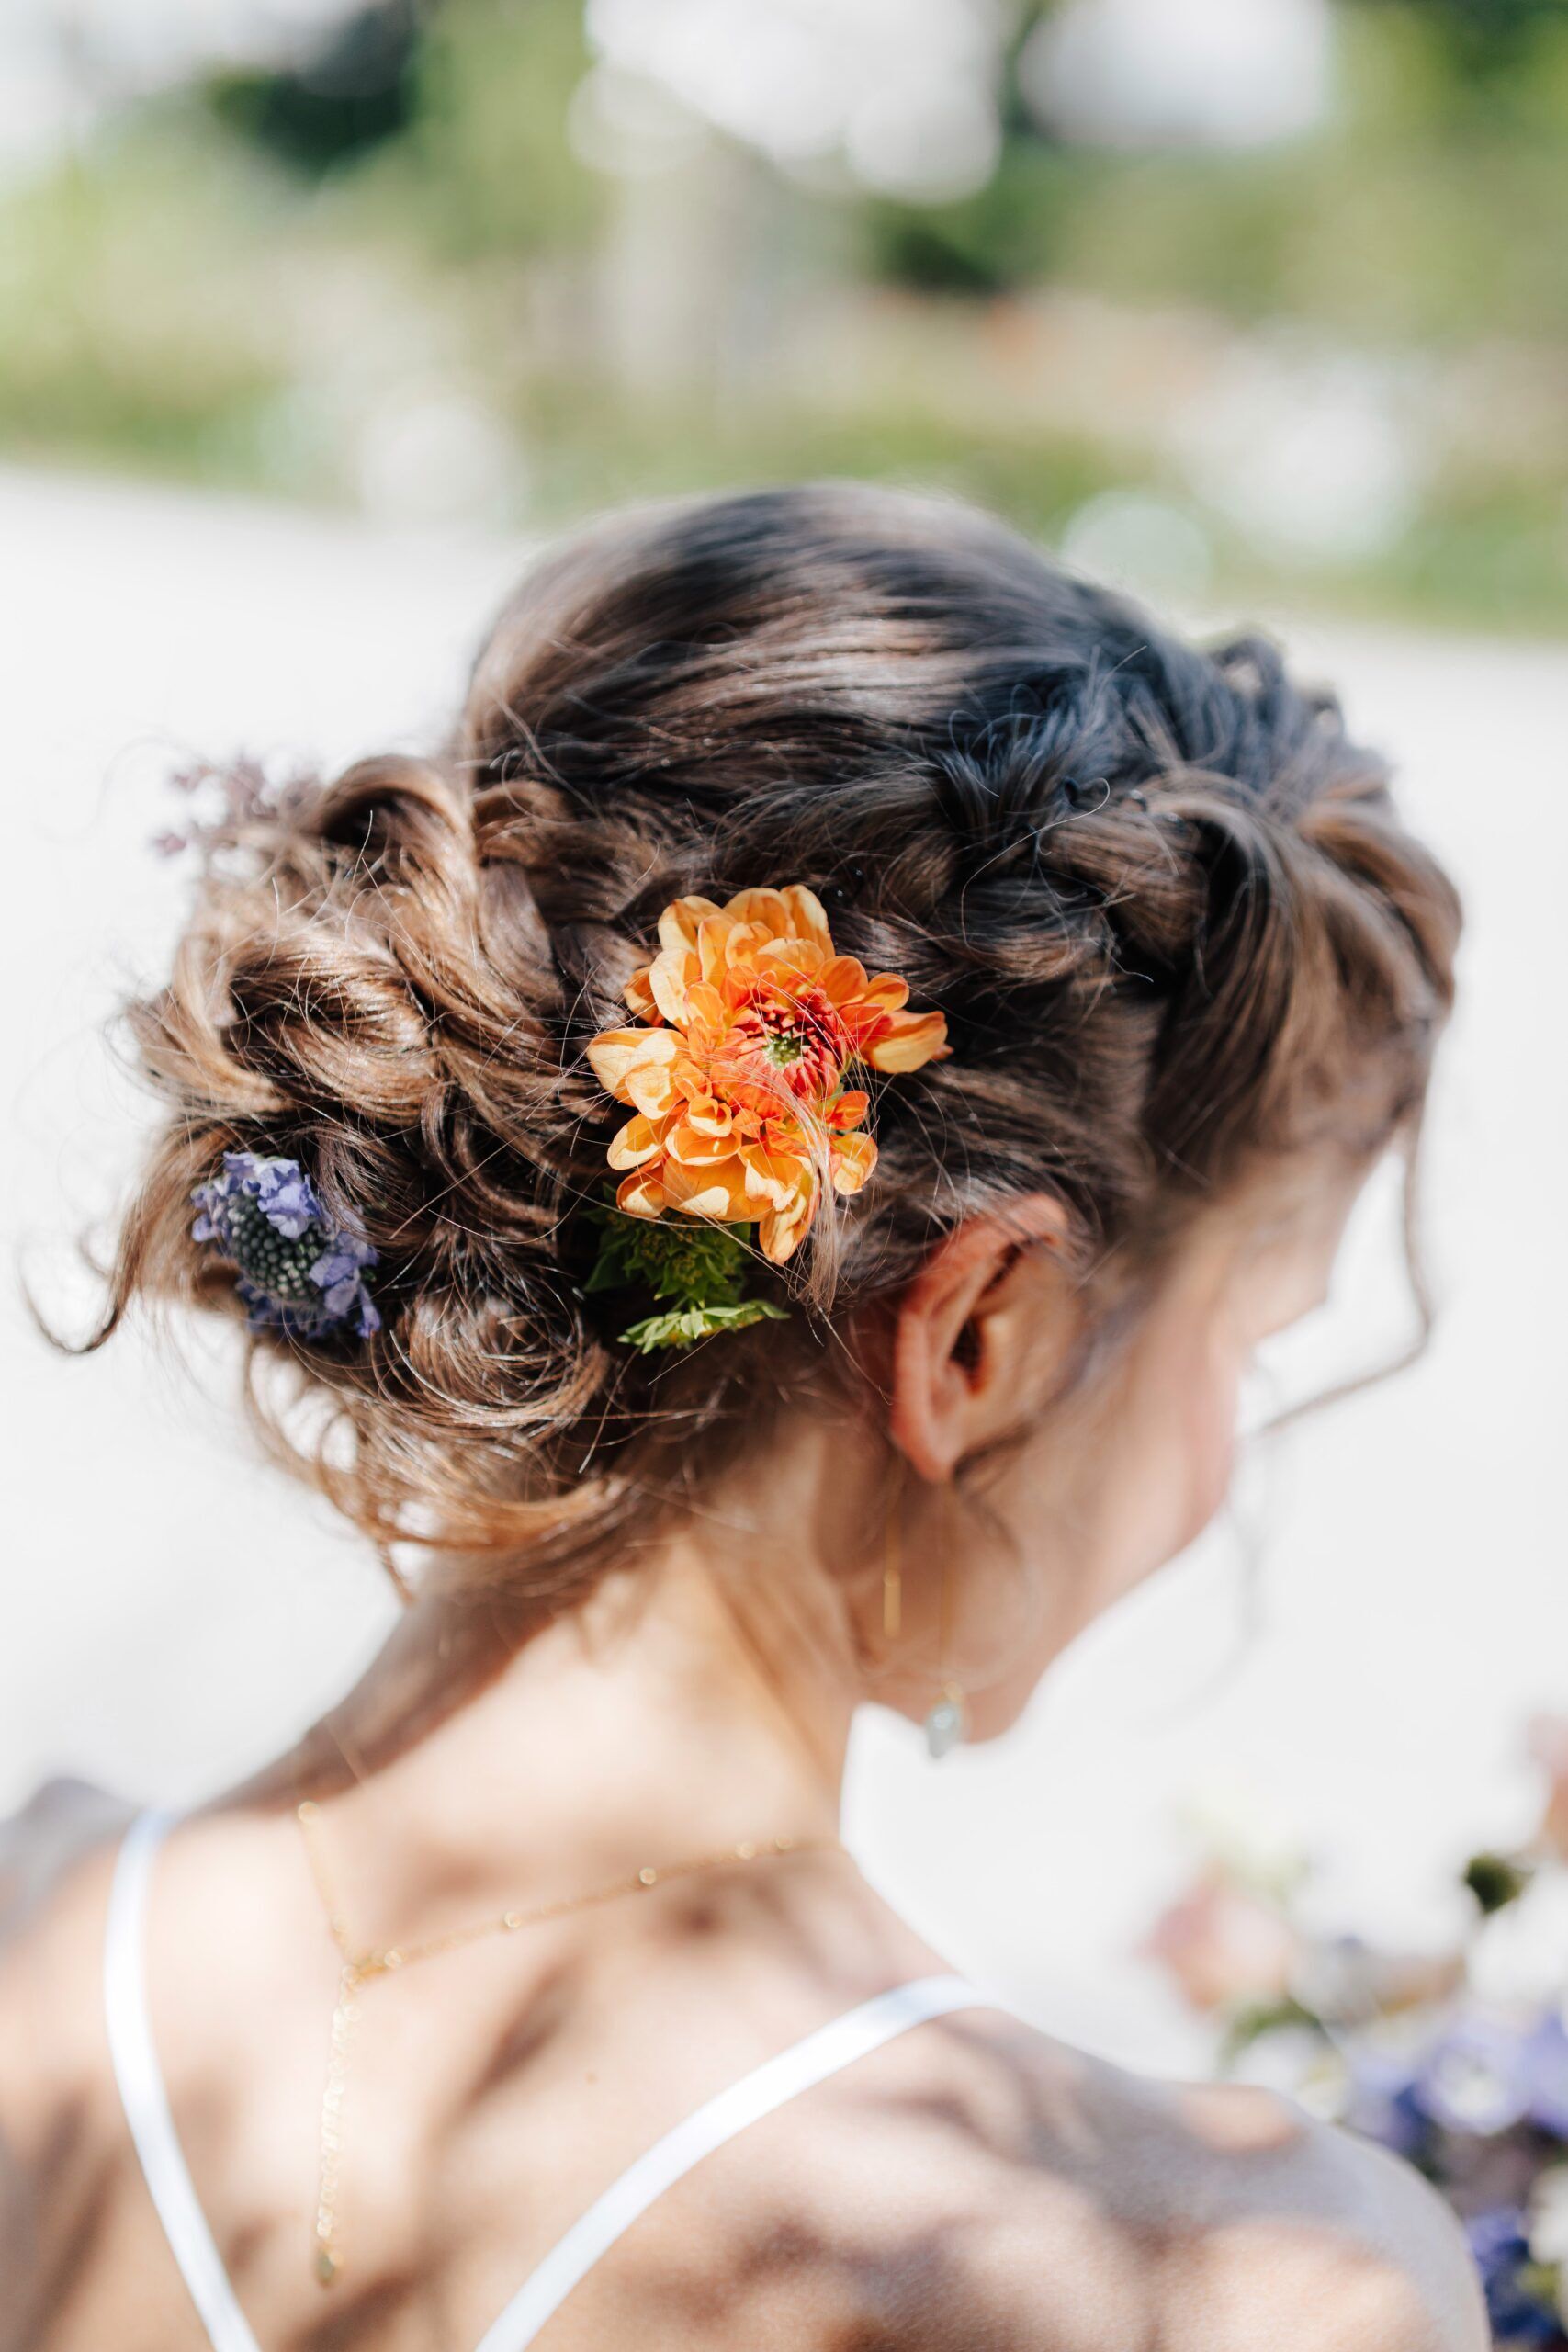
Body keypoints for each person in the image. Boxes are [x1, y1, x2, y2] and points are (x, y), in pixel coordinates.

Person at [0, 484, 1484, 2351]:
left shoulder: (33, 1927)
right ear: (974, 1330)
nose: (1219, 1464)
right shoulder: (1214, 2282)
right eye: (1243, 1344)